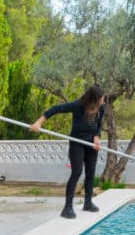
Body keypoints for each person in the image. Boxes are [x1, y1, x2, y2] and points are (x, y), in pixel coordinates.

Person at [30, 84, 105, 219]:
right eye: (101, 98)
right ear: (94, 99)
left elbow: (99, 125)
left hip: (91, 144)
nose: (103, 100)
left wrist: (97, 137)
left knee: (91, 171)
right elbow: (55, 109)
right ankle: (68, 207)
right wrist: (38, 123)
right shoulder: (78, 105)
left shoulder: (101, 108)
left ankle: (88, 202)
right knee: (77, 172)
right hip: (77, 142)